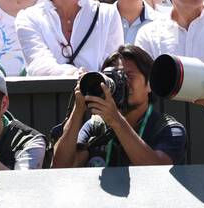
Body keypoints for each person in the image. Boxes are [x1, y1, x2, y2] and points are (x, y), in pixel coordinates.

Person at [53, 42, 188, 168]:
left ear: (150, 84)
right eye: (115, 78)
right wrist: (78, 109)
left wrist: (116, 121)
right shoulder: (96, 126)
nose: (122, 84)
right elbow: (60, 168)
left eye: (129, 76)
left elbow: (158, 172)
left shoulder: (168, 129)